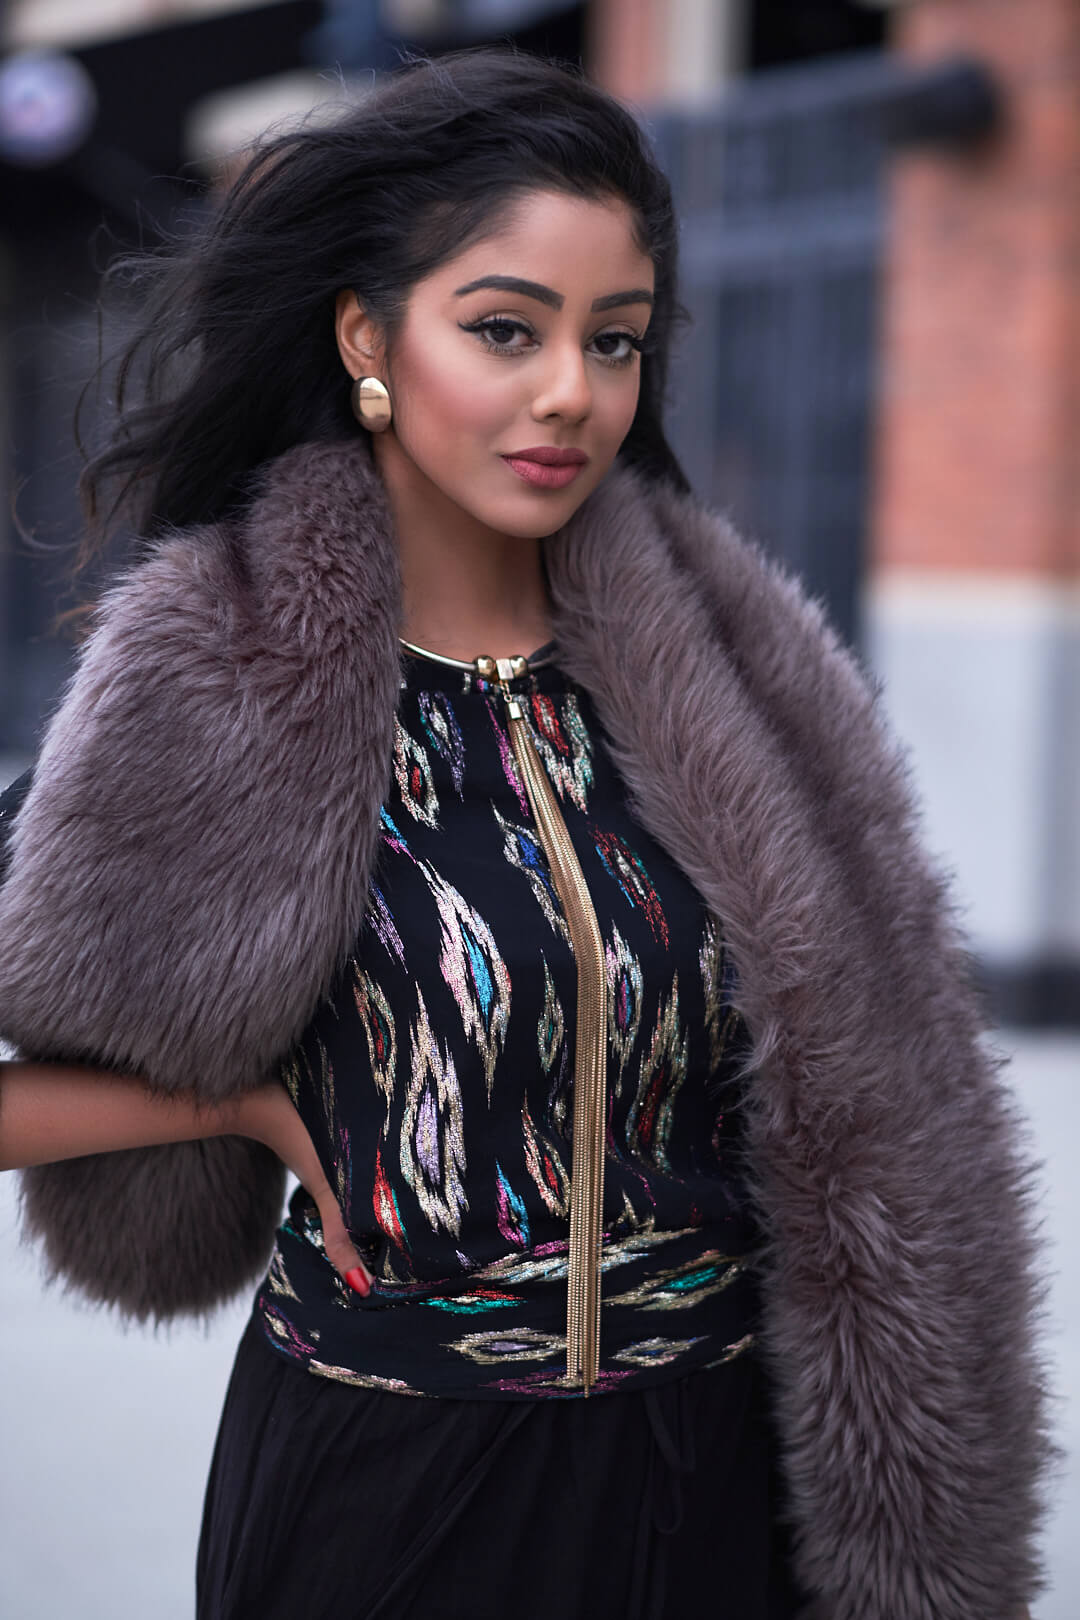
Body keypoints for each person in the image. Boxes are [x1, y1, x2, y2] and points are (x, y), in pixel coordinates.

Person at [0, 46, 1053, 1620]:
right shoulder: (212, 672)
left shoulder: (742, 681)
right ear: (369, 336)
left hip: (717, 1481)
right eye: (506, 329)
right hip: (388, 1487)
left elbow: (888, 1091)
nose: (572, 390)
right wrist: (243, 1104)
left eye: (612, 342)